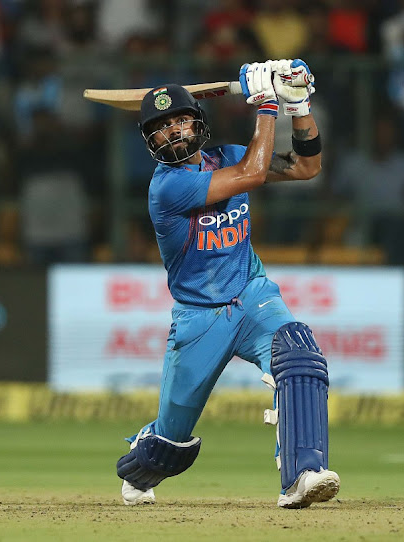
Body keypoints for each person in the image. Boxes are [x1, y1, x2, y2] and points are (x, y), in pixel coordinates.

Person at [115, 59, 340, 509]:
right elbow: (253, 175)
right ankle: (145, 456)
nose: (174, 131)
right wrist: (264, 103)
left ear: (198, 123)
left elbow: (305, 168)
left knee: (299, 352)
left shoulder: (232, 154)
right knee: (169, 448)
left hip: (253, 294)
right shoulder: (168, 188)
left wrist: (298, 105)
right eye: (162, 127)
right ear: (150, 142)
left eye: (180, 119)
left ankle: (304, 473)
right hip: (200, 317)